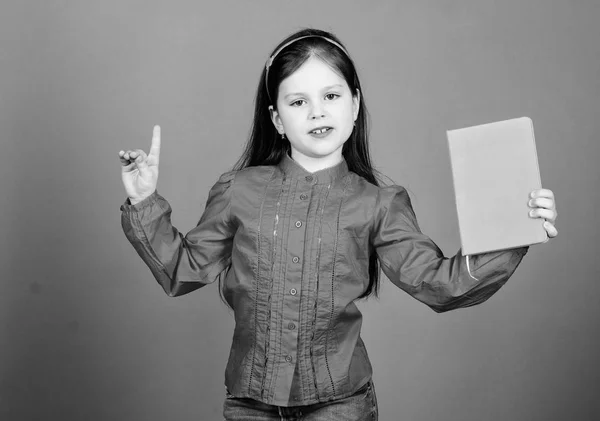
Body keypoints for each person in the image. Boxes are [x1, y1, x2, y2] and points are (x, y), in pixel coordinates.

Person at [118, 28, 558, 421]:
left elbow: (436, 283)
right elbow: (182, 270)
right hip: (249, 402)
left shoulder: (380, 202)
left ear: (354, 104)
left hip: (341, 405)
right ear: (277, 119)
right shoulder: (239, 189)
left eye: (331, 96)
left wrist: (516, 229)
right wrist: (143, 200)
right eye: (298, 101)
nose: (317, 112)